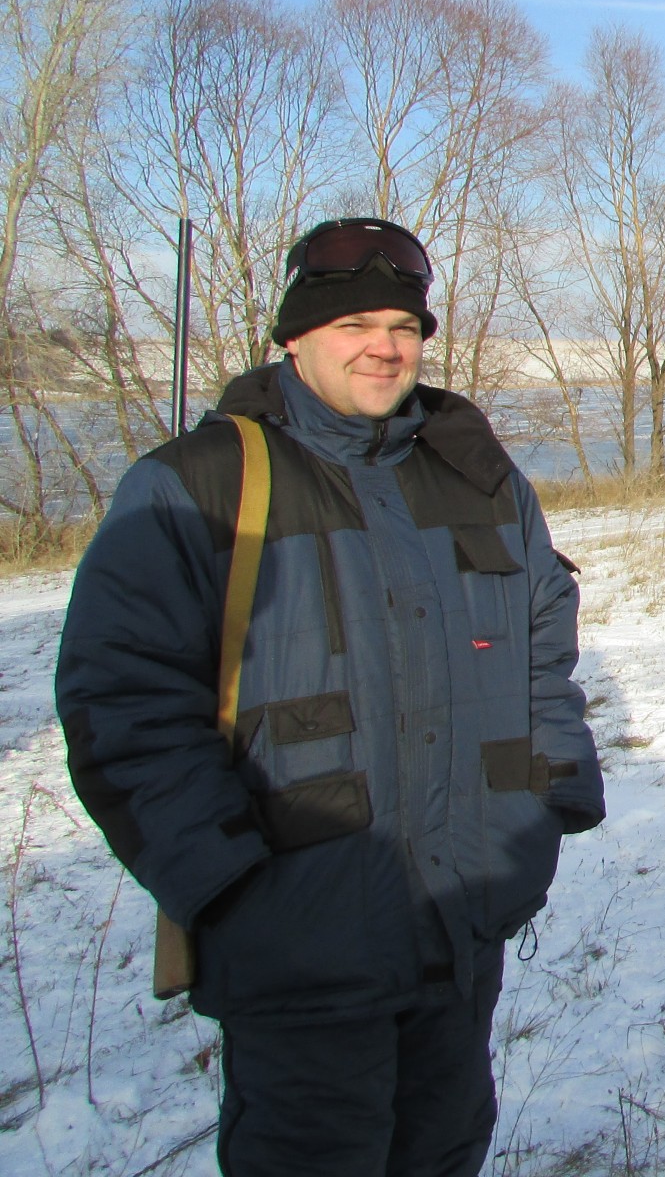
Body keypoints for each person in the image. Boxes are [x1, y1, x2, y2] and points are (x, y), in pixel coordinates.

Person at [57, 218, 603, 1176]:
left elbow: (541, 645)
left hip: (460, 921)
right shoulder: (197, 484)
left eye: (403, 326)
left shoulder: (476, 477)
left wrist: (538, 808)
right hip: (299, 943)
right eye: (354, 324)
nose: (383, 346)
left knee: (443, 1151)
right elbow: (124, 706)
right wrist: (229, 887)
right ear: (295, 338)